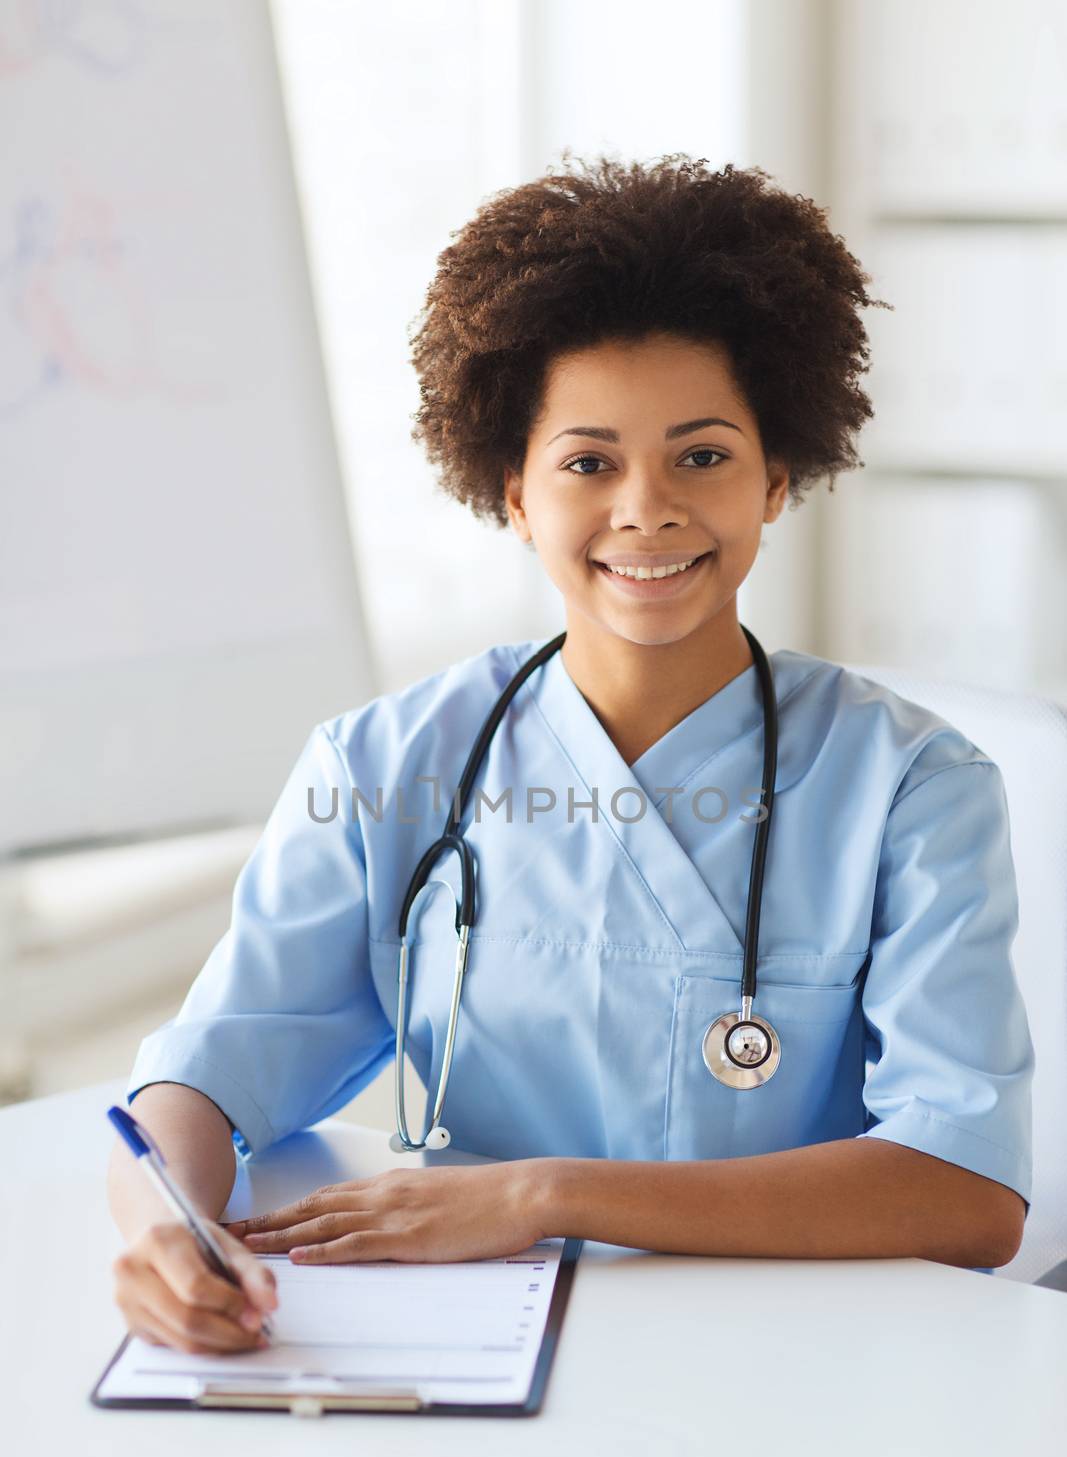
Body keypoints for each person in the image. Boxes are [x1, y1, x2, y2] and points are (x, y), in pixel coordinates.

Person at [108, 155, 1033, 1356]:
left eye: (701, 455)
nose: (645, 508)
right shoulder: (386, 763)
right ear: (511, 490)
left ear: (777, 479)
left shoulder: (912, 788)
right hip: (463, 1349)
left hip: (804, 1363)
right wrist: (162, 1226)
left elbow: (966, 1194)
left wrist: (541, 1195)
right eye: (587, 462)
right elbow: (207, 1074)